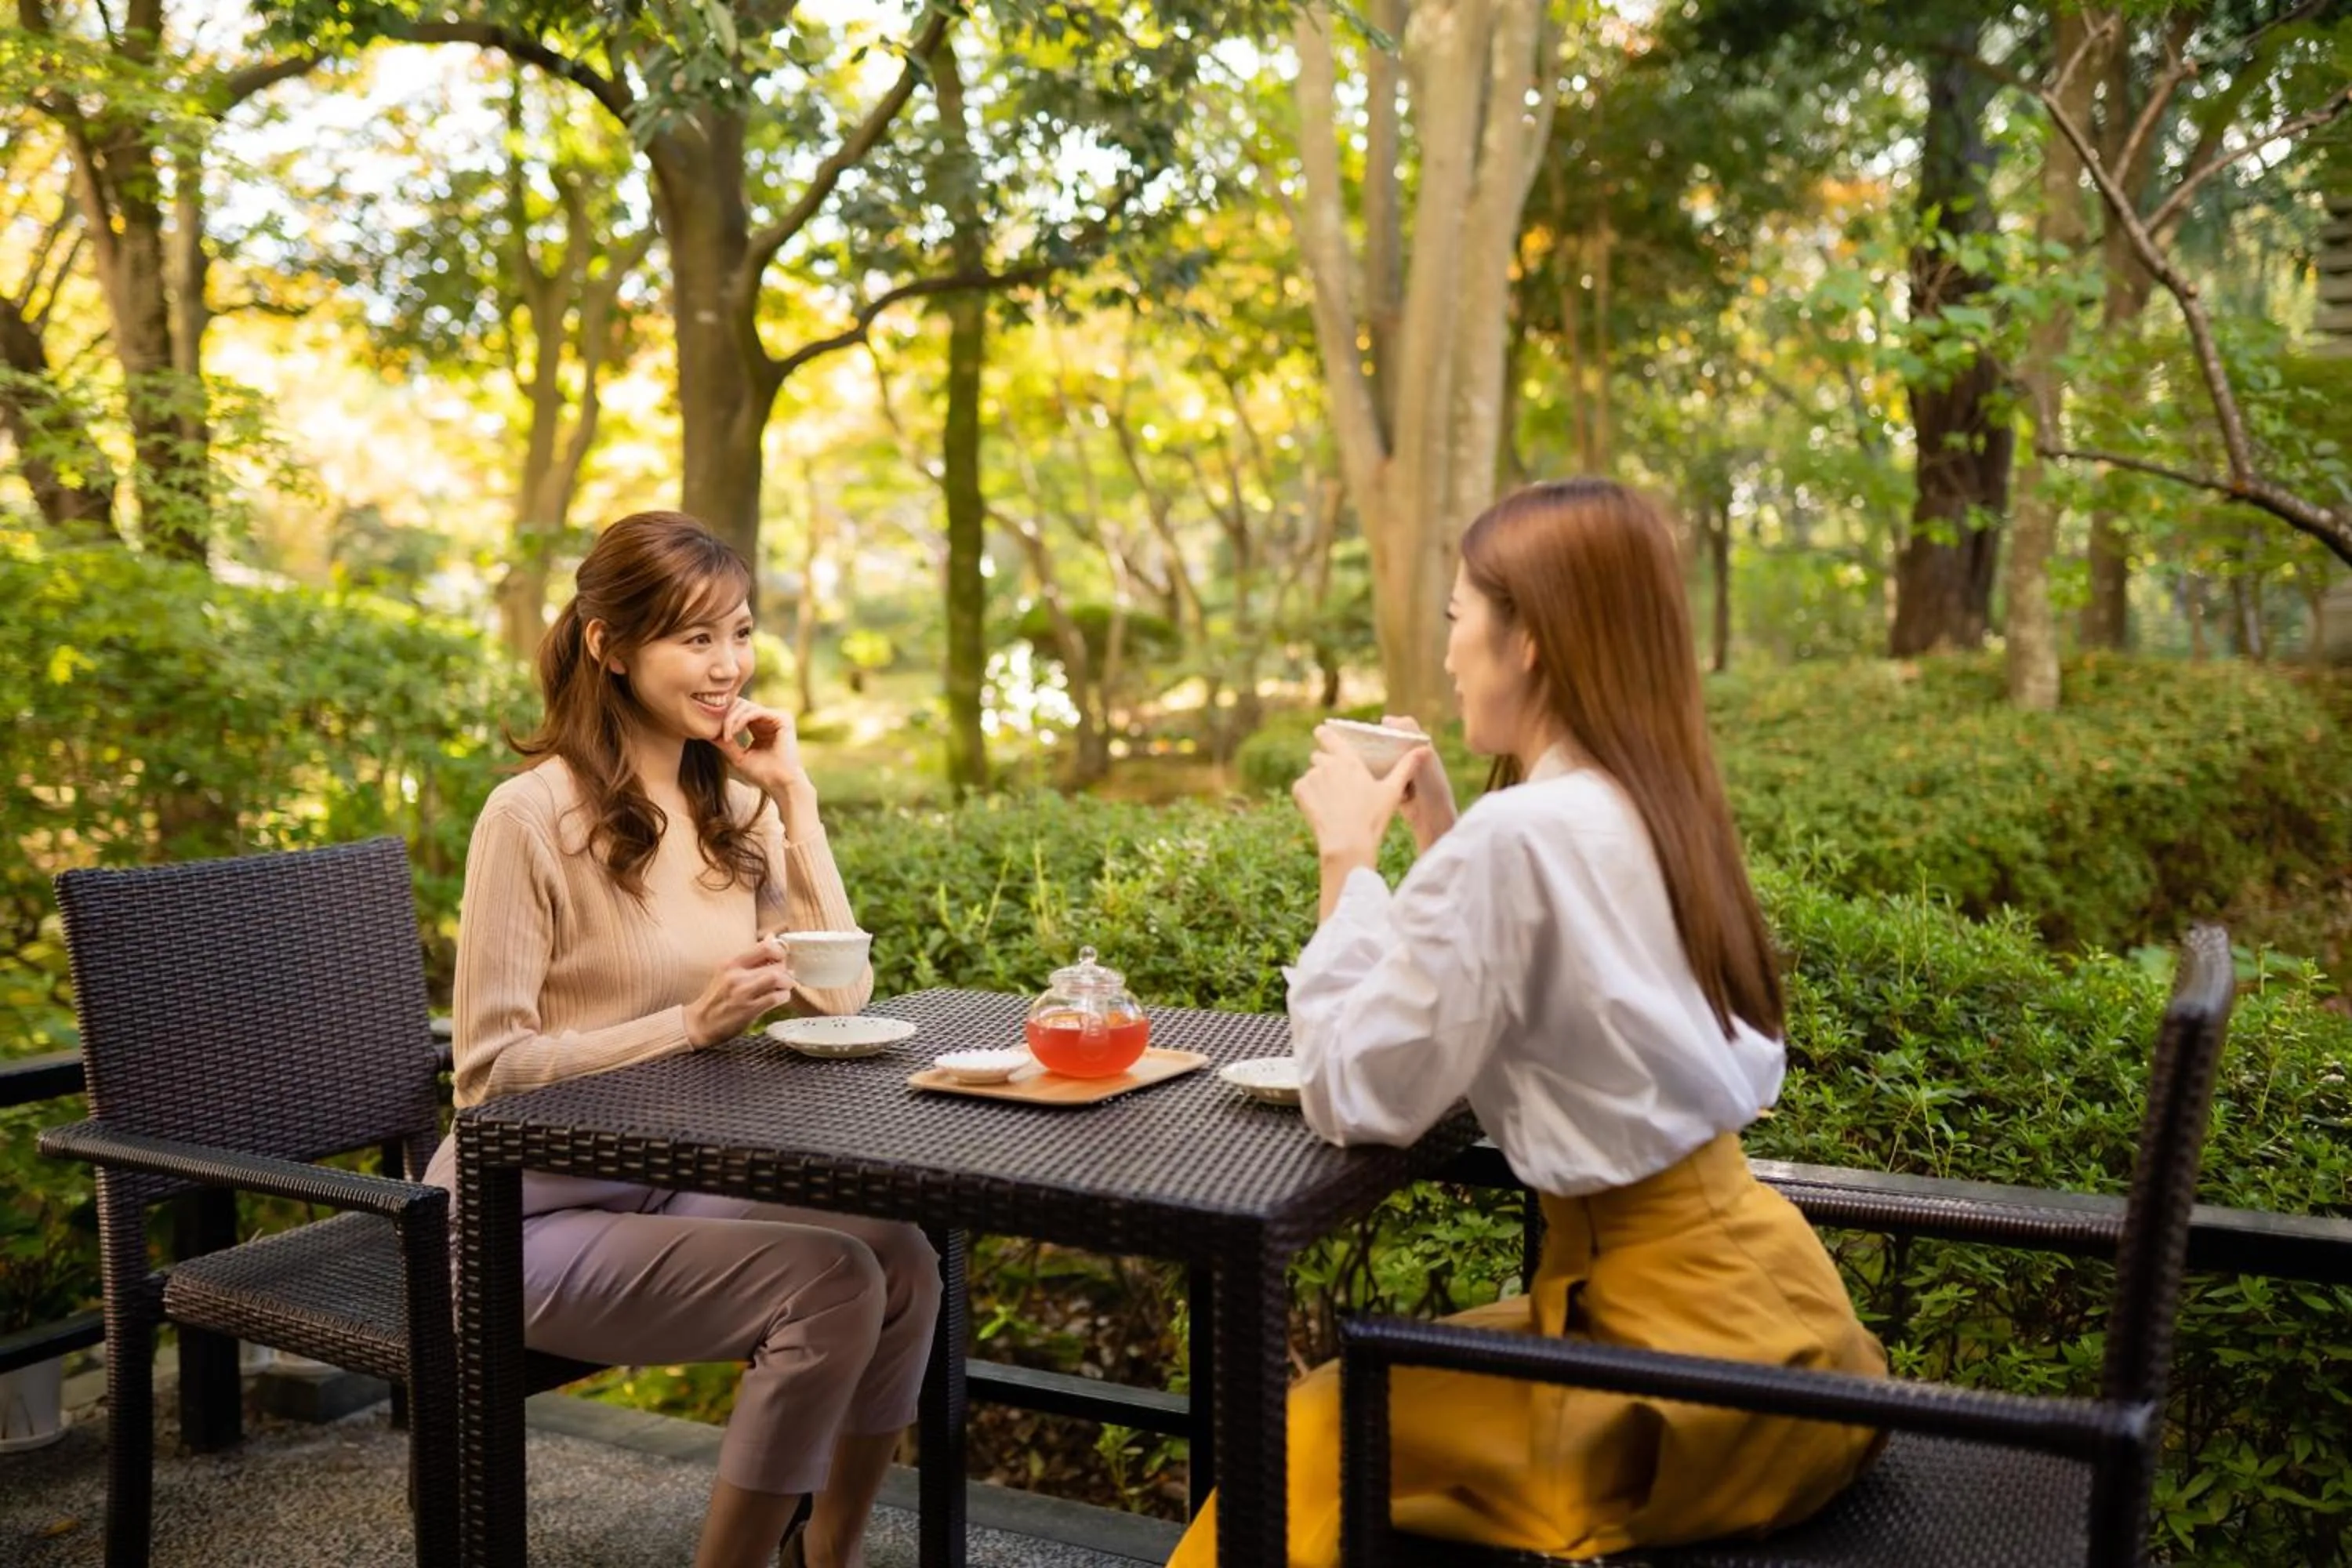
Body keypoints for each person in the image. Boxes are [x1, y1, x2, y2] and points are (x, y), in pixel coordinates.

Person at [1167, 479, 1885, 1566]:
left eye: (1460, 620)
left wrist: (1346, 862)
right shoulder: (1646, 799)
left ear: (1529, 643)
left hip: (1663, 1379)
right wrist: (1443, 834)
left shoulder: (1525, 837)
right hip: (1789, 1335)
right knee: (1332, 1405)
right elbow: (1540, 982)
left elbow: (1357, 1094)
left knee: (1303, 1438)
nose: (1450, 652)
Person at [423, 511, 939, 1568]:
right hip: (519, 1221)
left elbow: (838, 1000)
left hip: (672, 1183)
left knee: (905, 1255)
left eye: (740, 633)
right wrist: (688, 1024)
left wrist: (792, 793)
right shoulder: (529, 818)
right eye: (693, 638)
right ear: (610, 647)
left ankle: (824, 1557)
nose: (728, 666)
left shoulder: (734, 809)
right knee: (830, 1282)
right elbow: (487, 1076)